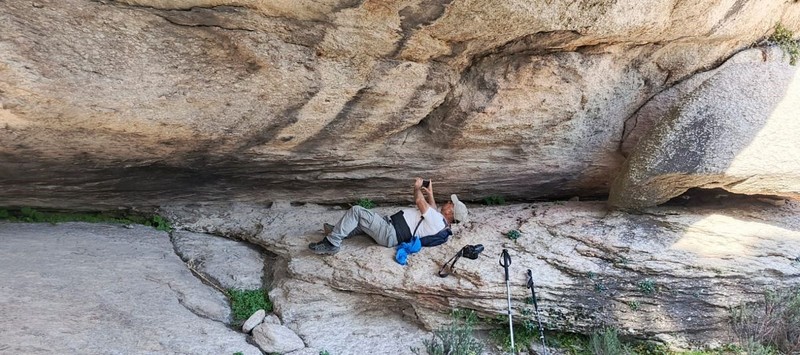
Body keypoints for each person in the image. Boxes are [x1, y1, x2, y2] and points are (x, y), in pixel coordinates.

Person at [308, 178, 466, 255]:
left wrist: (417, 188)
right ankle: (338, 230)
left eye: (450, 204)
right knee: (364, 224)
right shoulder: (441, 223)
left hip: (389, 233)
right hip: (391, 229)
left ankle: (332, 243)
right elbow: (432, 208)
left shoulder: (437, 220)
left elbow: (419, 201)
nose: (447, 202)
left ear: (450, 213)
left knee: (357, 211)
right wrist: (430, 193)